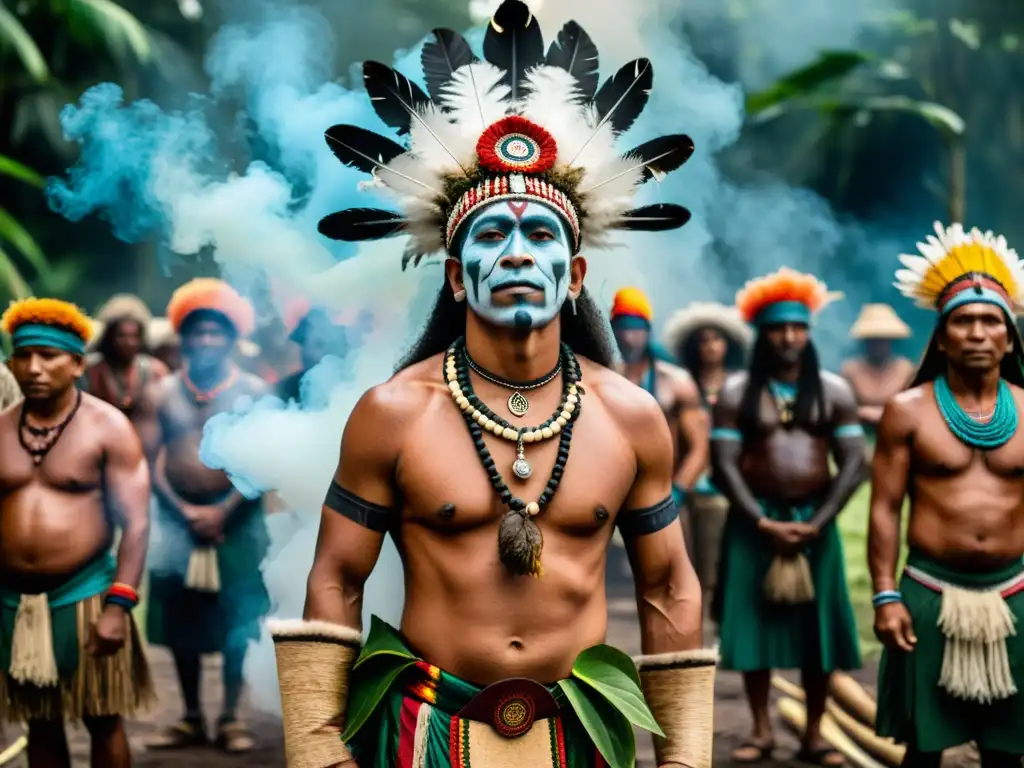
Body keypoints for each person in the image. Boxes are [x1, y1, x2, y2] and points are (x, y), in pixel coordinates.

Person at [267, 2, 717, 766]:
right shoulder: (394, 414)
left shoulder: (631, 417)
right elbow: (336, 577)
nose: (516, 253)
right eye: (491, 234)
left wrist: (684, 756)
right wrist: (317, 747)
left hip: (577, 733)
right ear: (455, 273)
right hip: (427, 731)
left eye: (540, 234)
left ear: (575, 274)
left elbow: (669, 585)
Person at [870, 222, 1024, 767]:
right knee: (924, 749)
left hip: (1014, 595)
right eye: (963, 321)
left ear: (1009, 337)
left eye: (990, 321)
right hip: (929, 595)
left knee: (1009, 751)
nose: (978, 332)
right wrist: (885, 596)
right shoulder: (907, 411)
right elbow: (885, 508)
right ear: (941, 336)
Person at [711, 268, 864, 766]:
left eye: (797, 328)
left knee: (818, 633)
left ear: (809, 333)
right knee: (753, 628)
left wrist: (817, 522)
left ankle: (814, 734)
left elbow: (855, 462)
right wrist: (761, 522)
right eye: (778, 328)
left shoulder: (835, 391)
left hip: (814, 525)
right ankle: (760, 729)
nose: (789, 337)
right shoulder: (736, 393)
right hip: (754, 526)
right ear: (763, 334)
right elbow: (724, 466)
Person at [0, 298, 153, 767]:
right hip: (15, 603)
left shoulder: (108, 427)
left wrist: (118, 604)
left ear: (78, 364)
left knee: (103, 719)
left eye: (48, 356)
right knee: (40, 721)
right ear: (10, 362)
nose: (35, 368)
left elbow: (138, 521)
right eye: (24, 356)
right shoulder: (1, 429)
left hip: (85, 594)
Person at [136, 278, 270, 753]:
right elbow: (146, 460)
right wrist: (186, 512)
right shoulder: (160, 392)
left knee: (236, 623)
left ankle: (232, 717)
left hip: (237, 525)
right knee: (180, 624)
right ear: (183, 338)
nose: (206, 340)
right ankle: (191, 716)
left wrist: (222, 513)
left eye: (216, 332)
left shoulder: (253, 391)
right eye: (197, 332)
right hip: (177, 525)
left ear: (233, 338)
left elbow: (262, 464)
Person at [663, 301, 752, 639]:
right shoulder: (684, 384)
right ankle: (702, 627)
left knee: (735, 558)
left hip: (737, 481)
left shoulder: (741, 383)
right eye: (703, 340)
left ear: (728, 344)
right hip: (696, 483)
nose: (711, 346)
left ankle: (731, 626)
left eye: (717, 339)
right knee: (697, 560)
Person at [611, 288, 708, 507]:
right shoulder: (601, 378)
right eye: (622, 327)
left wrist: (677, 492)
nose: (628, 336)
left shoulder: (676, 382)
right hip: (614, 495)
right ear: (613, 330)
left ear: (647, 331)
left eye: (635, 328)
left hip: (665, 492)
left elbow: (699, 448)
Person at [81, 294, 169, 426]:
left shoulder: (155, 370)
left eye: (134, 336)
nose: (129, 342)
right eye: (122, 336)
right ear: (110, 336)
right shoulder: (93, 369)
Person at [840, 303, 914, 435]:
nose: (878, 345)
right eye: (874, 340)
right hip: (860, 434)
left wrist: (886, 414)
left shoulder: (904, 369)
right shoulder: (851, 370)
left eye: (883, 340)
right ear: (866, 341)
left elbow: (916, 407)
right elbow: (841, 409)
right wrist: (863, 412)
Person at [275, 302, 365, 405]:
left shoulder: (353, 386)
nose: (308, 353)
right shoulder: (287, 388)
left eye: (320, 344)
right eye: (303, 342)